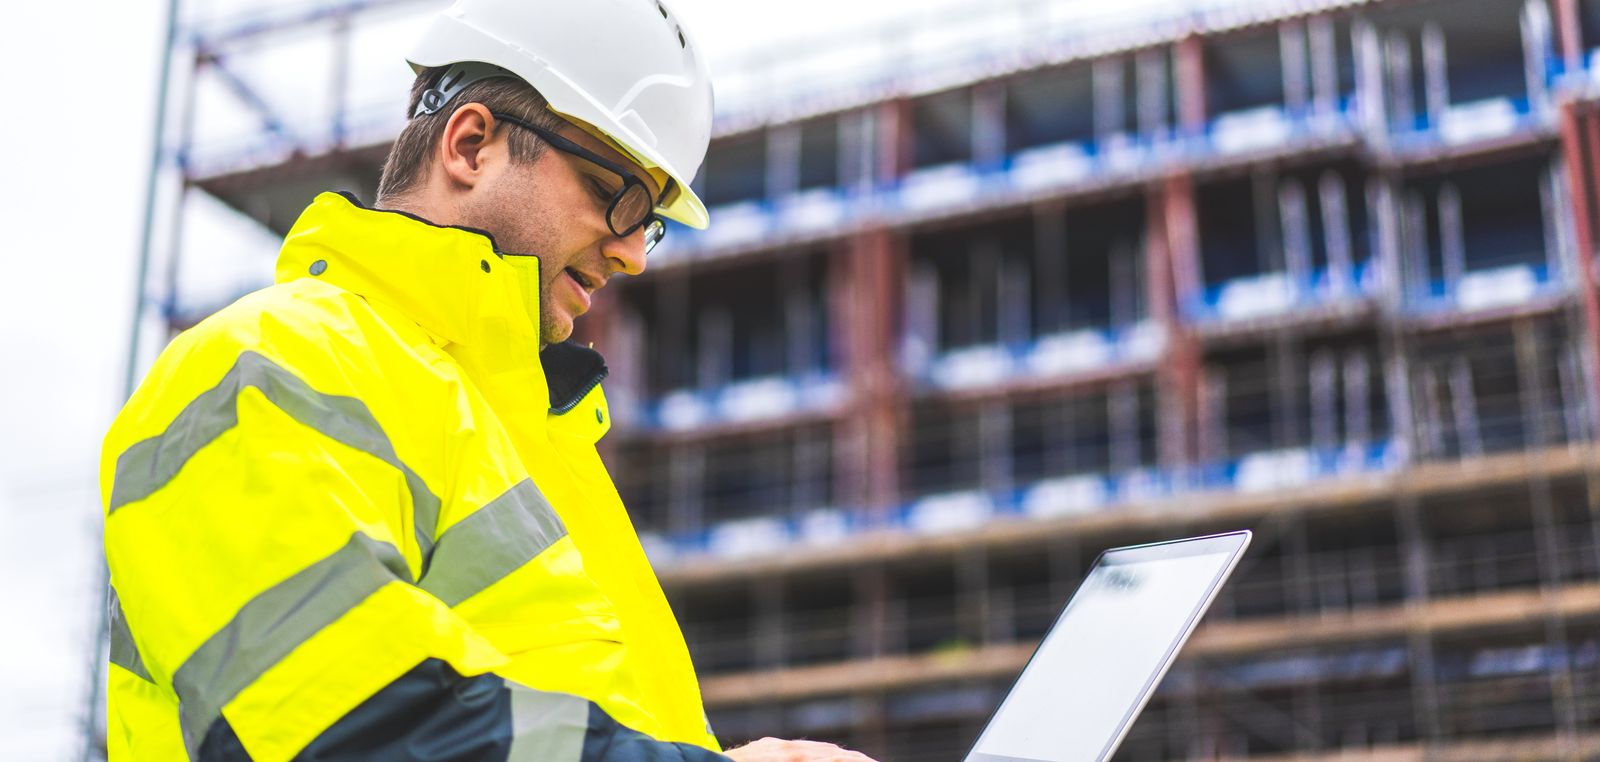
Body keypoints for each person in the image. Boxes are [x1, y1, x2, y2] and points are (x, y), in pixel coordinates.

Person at [100, 1, 875, 759]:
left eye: (652, 223)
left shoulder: (544, 451)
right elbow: (350, 725)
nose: (635, 253)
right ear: (471, 145)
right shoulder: (263, 365)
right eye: (620, 197)